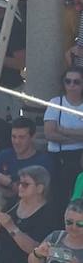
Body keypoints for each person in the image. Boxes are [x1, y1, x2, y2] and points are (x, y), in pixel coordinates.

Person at [44, 70, 83, 211]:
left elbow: (56, 131)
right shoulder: (56, 102)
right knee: (56, 198)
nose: (72, 85)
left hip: (79, 158)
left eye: (76, 82)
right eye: (68, 81)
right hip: (57, 157)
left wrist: (63, 130)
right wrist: (79, 137)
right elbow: (49, 133)